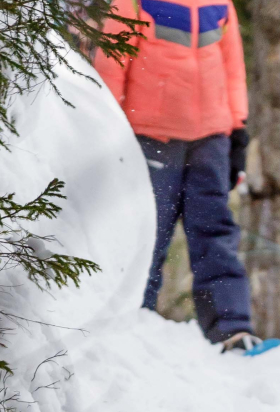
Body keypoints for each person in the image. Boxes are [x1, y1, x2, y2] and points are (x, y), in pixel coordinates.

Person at [94, 0, 261, 351]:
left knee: (215, 231)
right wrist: (109, 131)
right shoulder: (131, 3)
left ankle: (231, 327)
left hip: (211, 138)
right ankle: (131, 319)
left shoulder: (221, 3)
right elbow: (111, 65)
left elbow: (233, 69)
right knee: (147, 233)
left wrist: (238, 130)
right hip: (150, 136)